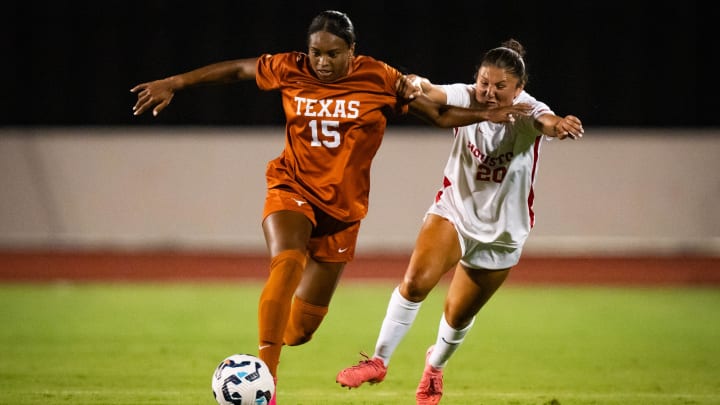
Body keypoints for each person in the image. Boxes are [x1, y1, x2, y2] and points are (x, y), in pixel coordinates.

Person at [131, 10, 530, 405]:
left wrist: (485, 113)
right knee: (286, 262)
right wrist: (174, 82)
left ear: (352, 51)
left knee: (301, 330)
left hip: (341, 213)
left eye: (332, 54)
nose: (321, 62)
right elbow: (238, 70)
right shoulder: (290, 68)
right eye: (315, 52)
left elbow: (440, 114)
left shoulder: (378, 77)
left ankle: (273, 335)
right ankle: (266, 380)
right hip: (291, 187)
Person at [335, 38, 584, 404]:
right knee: (416, 283)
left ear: (519, 88)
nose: (489, 92)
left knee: (457, 316)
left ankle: (434, 367)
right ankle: (378, 361)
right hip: (454, 212)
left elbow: (544, 121)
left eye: (500, 86)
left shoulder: (528, 111)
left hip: (502, 234)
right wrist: (415, 83)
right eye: (485, 82)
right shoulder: (468, 97)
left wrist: (560, 124)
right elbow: (433, 91)